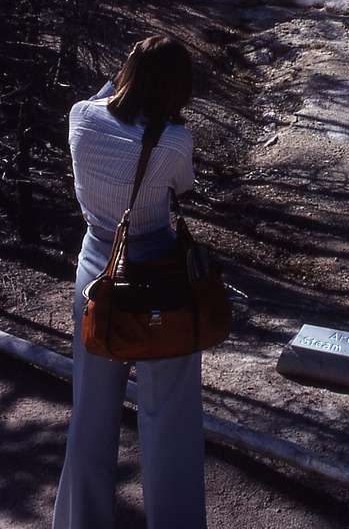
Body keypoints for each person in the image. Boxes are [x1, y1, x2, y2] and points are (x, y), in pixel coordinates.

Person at [53, 35, 207, 529]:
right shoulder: (176, 141)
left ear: (127, 71)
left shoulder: (80, 116)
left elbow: (104, 101)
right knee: (169, 418)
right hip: (160, 281)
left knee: (91, 414)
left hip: (96, 274)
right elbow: (180, 188)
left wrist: (125, 78)